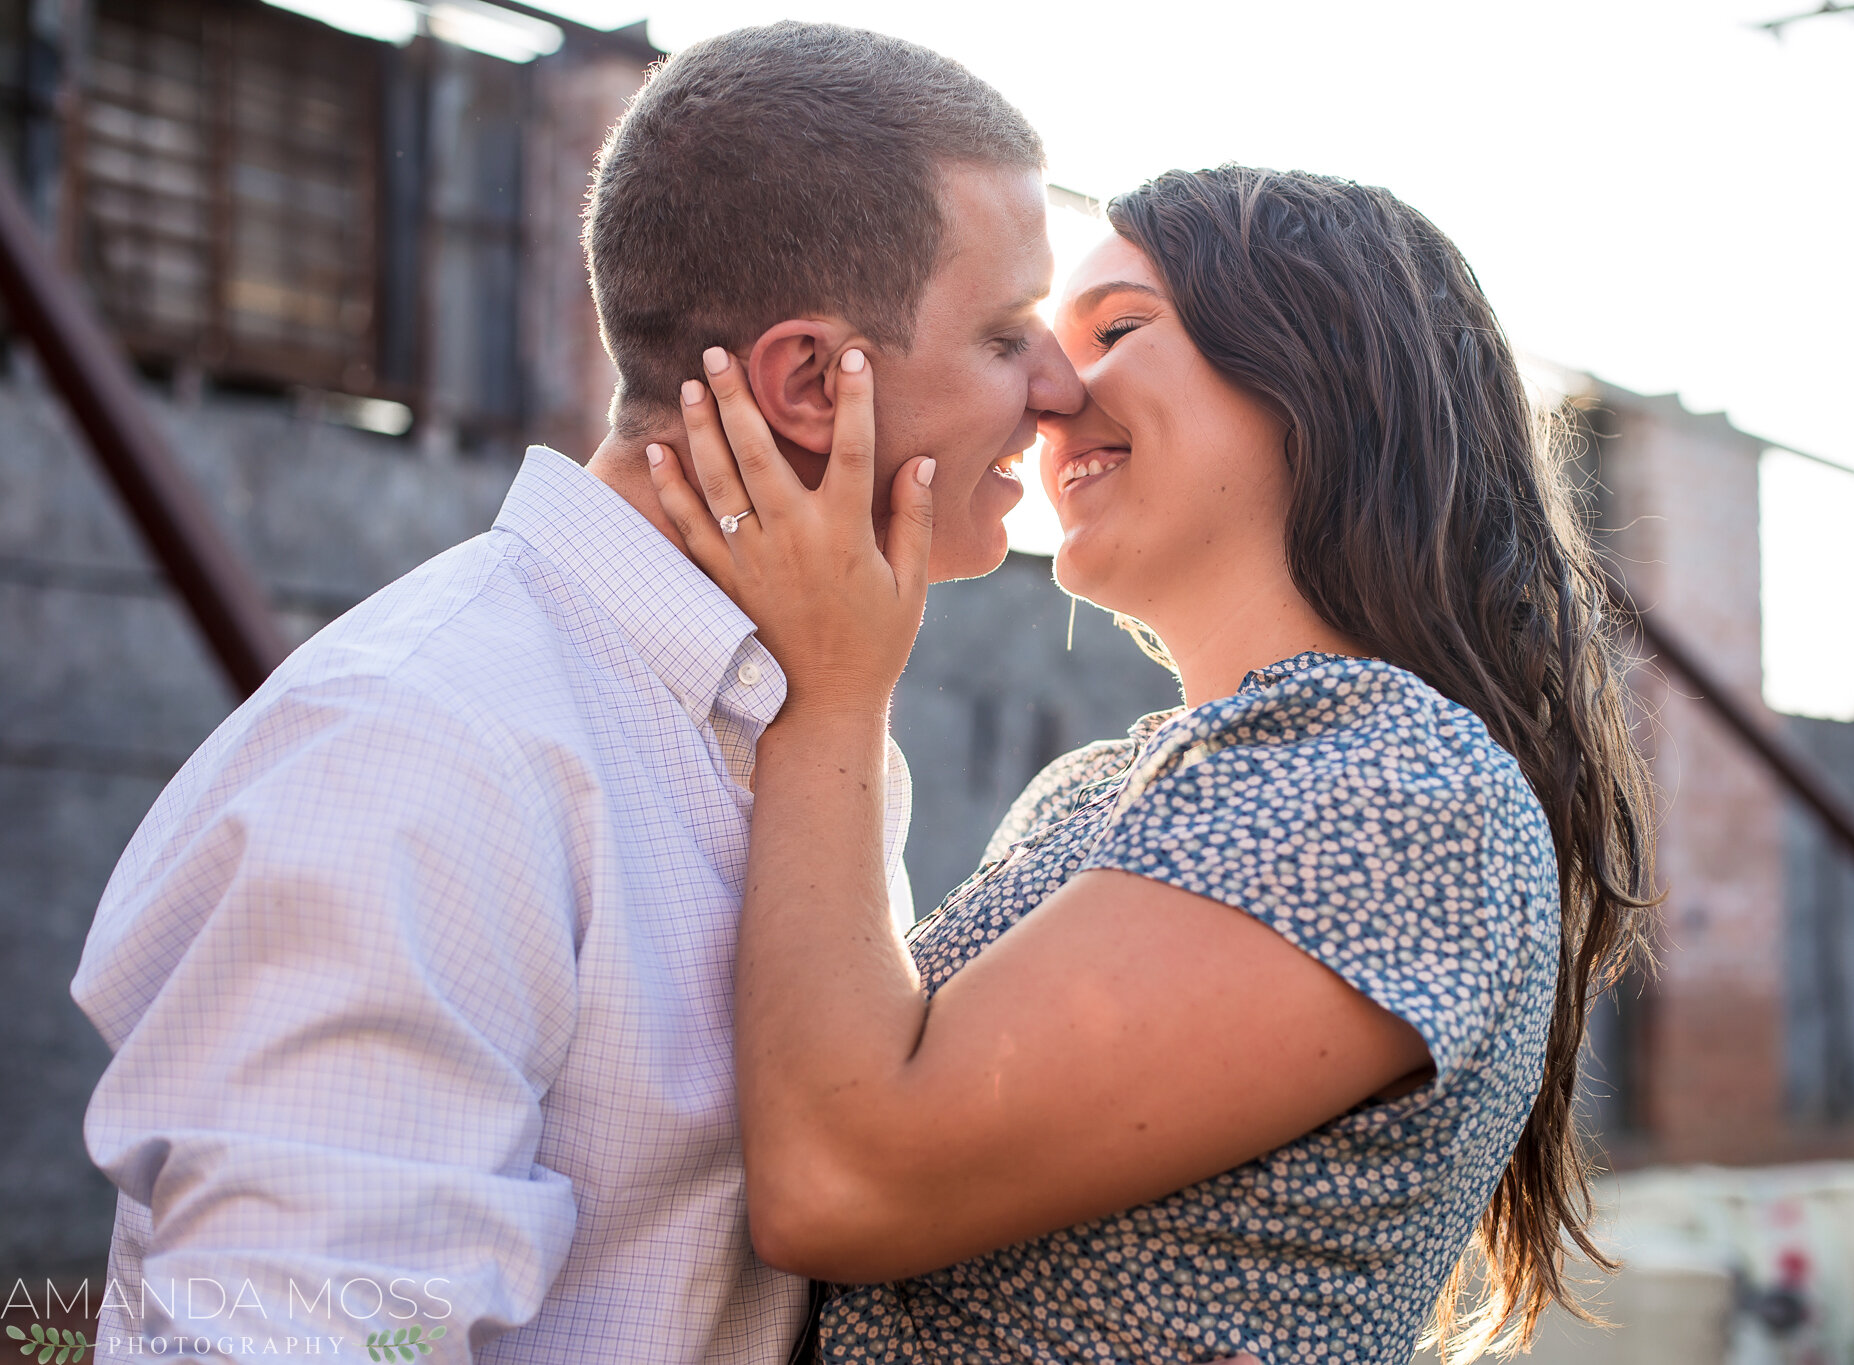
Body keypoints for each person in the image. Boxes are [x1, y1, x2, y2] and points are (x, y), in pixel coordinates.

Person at [70, 23, 1082, 1362]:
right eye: (1011, 335)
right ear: (806, 381)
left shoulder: (781, 719)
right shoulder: (424, 748)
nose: (1063, 392)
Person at [644, 166, 1659, 1363]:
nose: (1049, 394)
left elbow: (837, 1181)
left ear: (1324, 369)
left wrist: (831, 684)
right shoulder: (1095, 795)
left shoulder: (1394, 785)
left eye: (1117, 328)